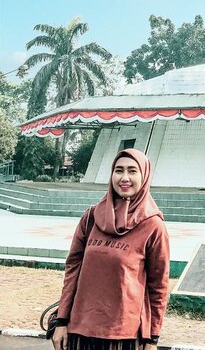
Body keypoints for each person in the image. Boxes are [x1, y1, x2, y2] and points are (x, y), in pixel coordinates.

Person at [52, 148, 170, 350]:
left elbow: (158, 286)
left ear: (144, 175)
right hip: (81, 330)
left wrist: (152, 339)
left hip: (124, 335)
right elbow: (72, 271)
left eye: (133, 171)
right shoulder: (91, 218)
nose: (124, 178)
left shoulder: (153, 227)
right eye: (119, 170)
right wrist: (61, 321)